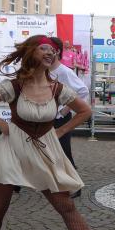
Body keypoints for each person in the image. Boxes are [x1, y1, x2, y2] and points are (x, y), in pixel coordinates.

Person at [0, 35, 115, 230]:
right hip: (12, 149)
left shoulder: (57, 88)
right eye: (44, 48)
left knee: (66, 205)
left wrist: (60, 131)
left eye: (53, 50)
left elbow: (85, 111)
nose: (50, 52)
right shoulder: (14, 86)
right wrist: (1, 124)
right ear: (31, 52)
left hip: (44, 150)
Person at [48, 36, 90, 198]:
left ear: (57, 51)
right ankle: (17, 184)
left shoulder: (65, 71)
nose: (45, 53)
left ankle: (75, 186)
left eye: (50, 49)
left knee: (64, 153)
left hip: (59, 119)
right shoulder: (44, 70)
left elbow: (82, 91)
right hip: (45, 116)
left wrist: (64, 110)